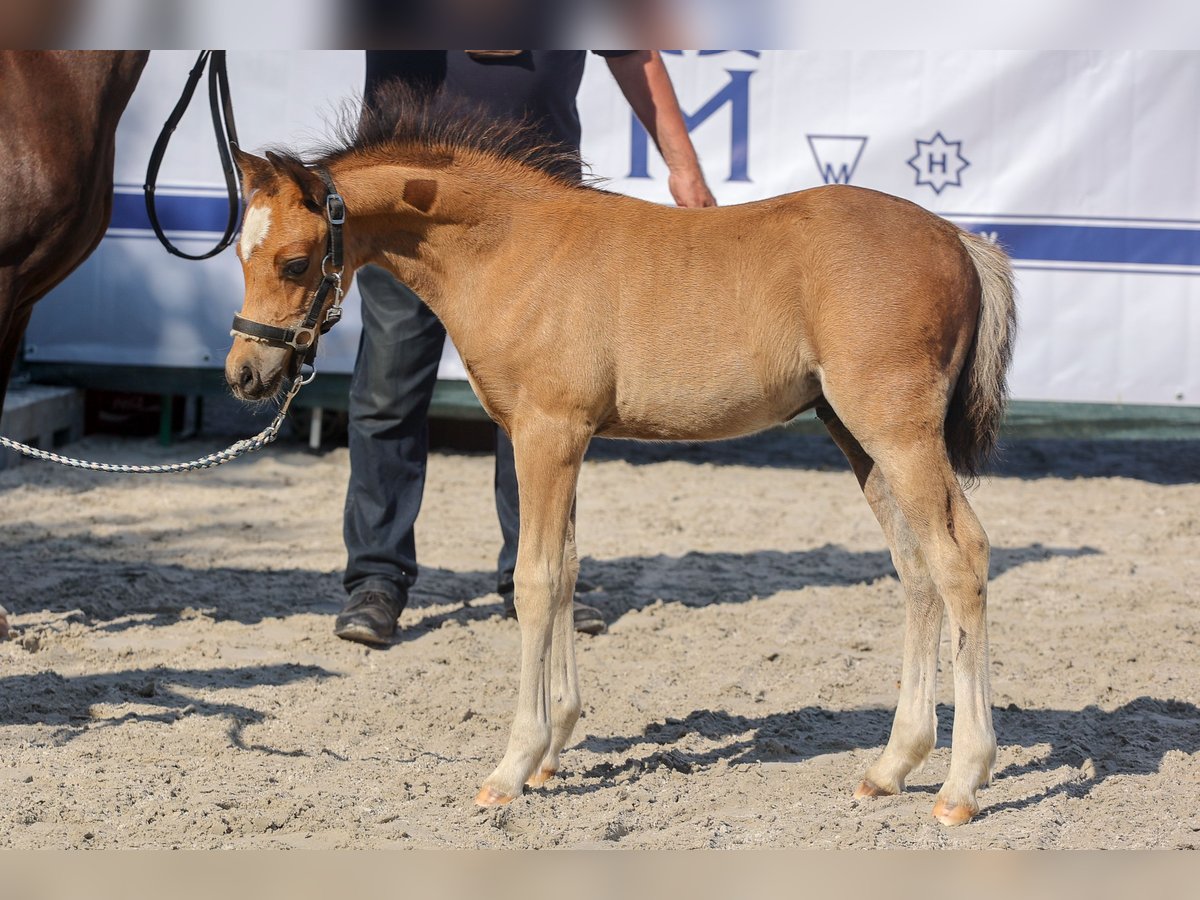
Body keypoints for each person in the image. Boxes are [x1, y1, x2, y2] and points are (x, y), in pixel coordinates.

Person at [336, 50, 716, 646]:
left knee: (546, 403)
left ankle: (537, 576)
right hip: (407, 201)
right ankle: (375, 580)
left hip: (539, 209)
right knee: (388, 387)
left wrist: (683, 167)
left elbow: (632, 47)